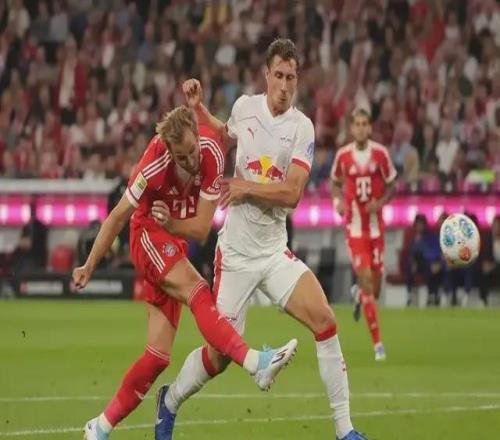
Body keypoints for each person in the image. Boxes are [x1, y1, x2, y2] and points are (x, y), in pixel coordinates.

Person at [156, 39, 369, 440]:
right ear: (266, 75)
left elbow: (293, 194)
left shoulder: (302, 127)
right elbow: (224, 135)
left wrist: (246, 187)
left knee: (325, 321)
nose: (285, 86)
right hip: (236, 253)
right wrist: (199, 109)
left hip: (273, 252)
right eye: (279, 76)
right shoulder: (245, 107)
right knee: (218, 357)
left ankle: (346, 431)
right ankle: (169, 401)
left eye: (292, 78)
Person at [73, 105, 298, 440]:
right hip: (148, 234)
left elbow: (202, 230)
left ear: (197, 134)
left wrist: (173, 225)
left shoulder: (212, 154)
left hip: (173, 238)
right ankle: (255, 363)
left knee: (157, 358)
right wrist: (90, 264)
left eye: (192, 150)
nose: (191, 160)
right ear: (169, 150)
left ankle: (99, 427)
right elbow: (118, 217)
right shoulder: (152, 166)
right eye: (181, 156)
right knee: (198, 290)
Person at [331, 108, 397, 361]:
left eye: (364, 124)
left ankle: (359, 295)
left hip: (376, 229)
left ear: (369, 128)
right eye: (356, 124)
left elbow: (392, 184)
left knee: (374, 290)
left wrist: (380, 203)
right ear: (352, 128)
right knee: (367, 279)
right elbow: (334, 182)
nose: (360, 128)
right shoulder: (343, 156)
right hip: (355, 230)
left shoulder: (380, 154)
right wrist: (337, 201)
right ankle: (378, 345)